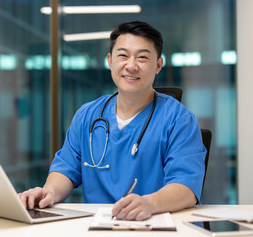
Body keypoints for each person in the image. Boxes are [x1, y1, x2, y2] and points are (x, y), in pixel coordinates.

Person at [18, 20, 206, 221]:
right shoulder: (87, 115)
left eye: (142, 57)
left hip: (154, 224)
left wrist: (150, 204)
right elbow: (65, 169)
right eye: (123, 56)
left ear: (158, 65)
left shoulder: (179, 119)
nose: (131, 65)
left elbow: (186, 187)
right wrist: (50, 192)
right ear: (110, 60)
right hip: (96, 226)